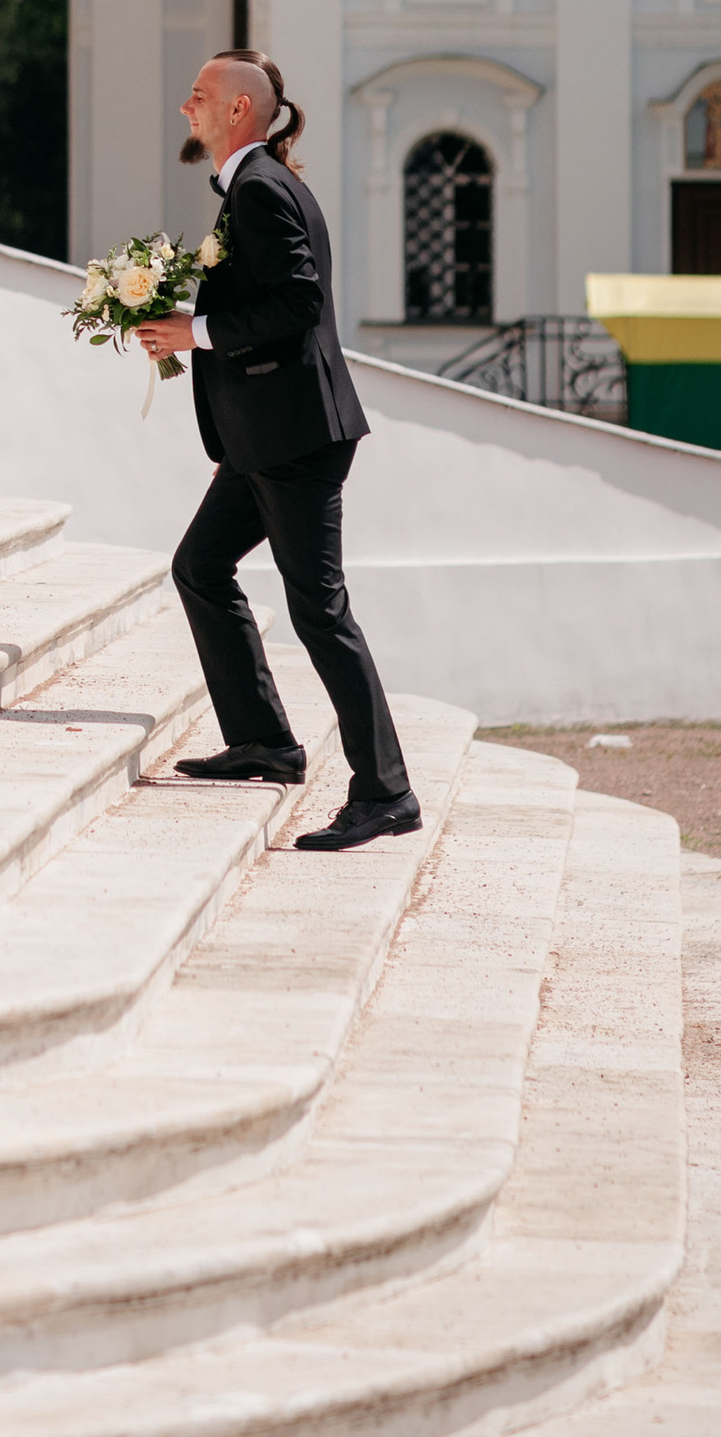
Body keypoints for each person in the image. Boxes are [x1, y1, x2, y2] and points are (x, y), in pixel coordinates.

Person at [135, 52, 419, 849]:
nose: (184, 106)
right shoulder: (252, 188)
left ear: (238, 112)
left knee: (319, 612)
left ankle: (385, 790)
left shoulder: (260, 189)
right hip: (266, 440)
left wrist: (193, 332)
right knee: (199, 567)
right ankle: (264, 741)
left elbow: (299, 302)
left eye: (198, 96)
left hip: (295, 442)